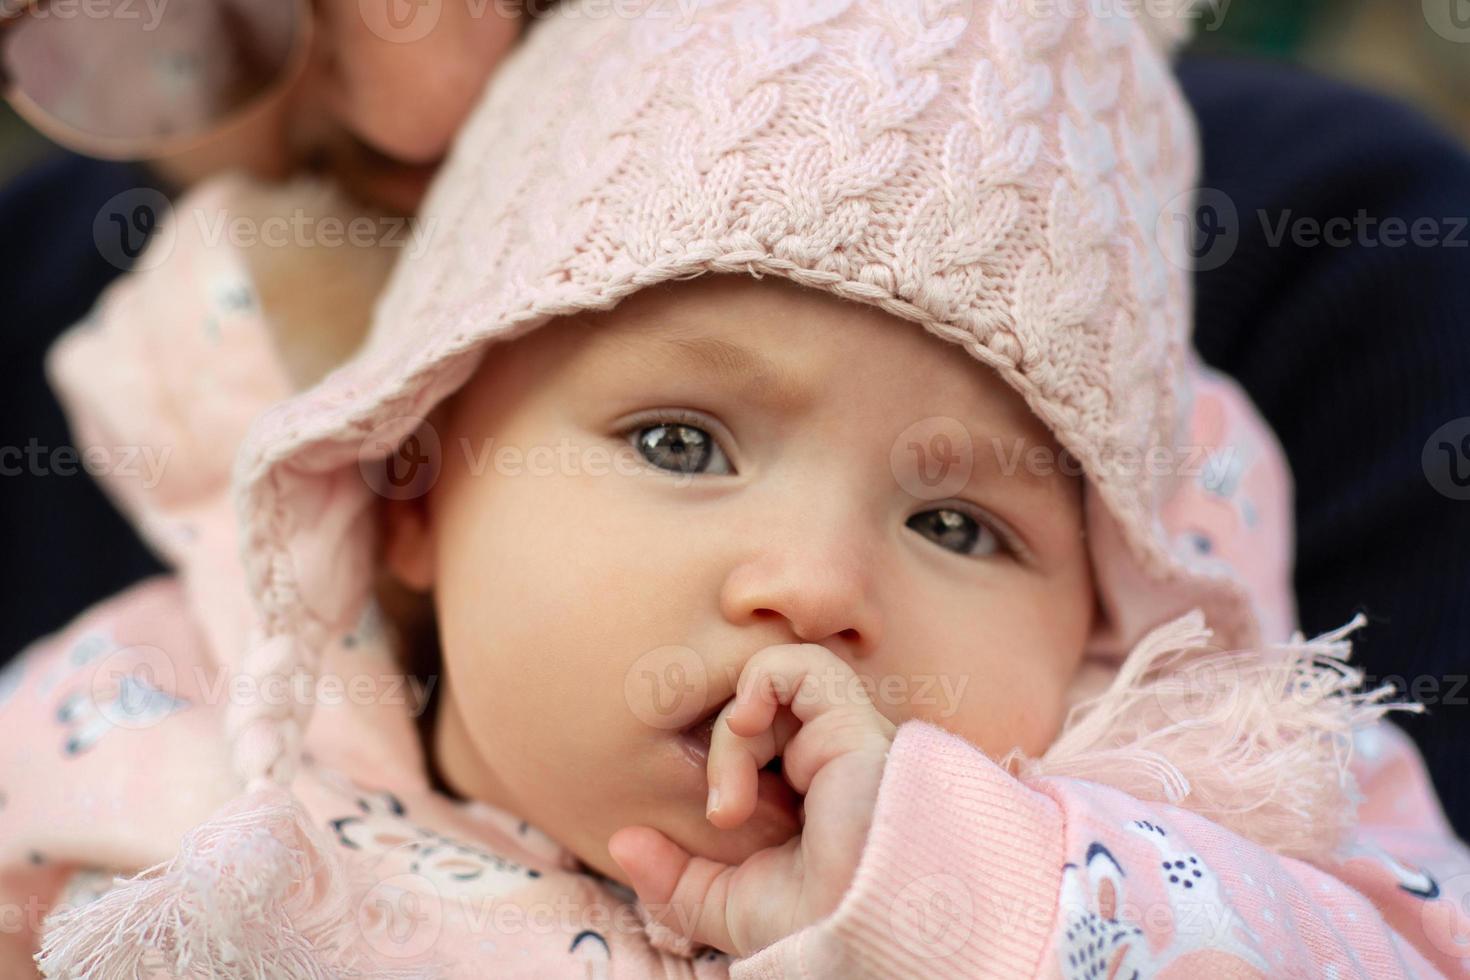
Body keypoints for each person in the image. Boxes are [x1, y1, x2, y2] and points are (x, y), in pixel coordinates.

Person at [4, 2, 1468, 976]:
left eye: (960, 526)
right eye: (679, 444)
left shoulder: (1171, 808)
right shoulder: (135, 758)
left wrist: (952, 892)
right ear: (407, 493)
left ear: (1105, 605)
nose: (813, 584)